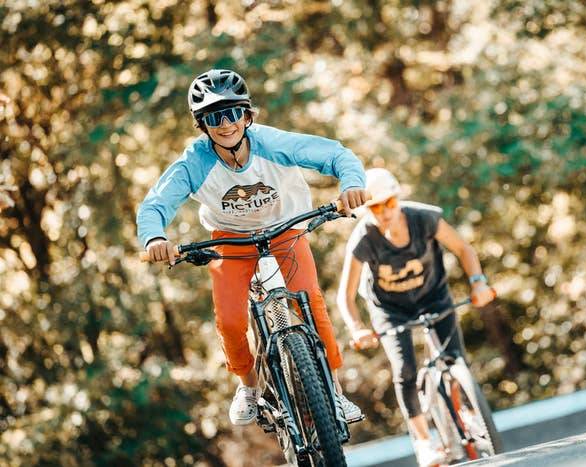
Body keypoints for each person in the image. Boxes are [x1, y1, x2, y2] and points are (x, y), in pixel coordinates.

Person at [137, 68, 367, 426]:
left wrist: (351, 183)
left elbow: (337, 155)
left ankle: (335, 392)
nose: (225, 124)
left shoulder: (272, 143)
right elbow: (155, 206)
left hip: (286, 230)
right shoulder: (195, 161)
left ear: (247, 116)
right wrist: (155, 238)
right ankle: (248, 386)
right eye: (214, 117)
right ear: (202, 125)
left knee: (309, 300)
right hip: (231, 239)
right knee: (230, 320)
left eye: (232, 113)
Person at [337, 168, 496, 466]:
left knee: (455, 358)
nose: (384, 212)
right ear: (367, 210)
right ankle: (424, 442)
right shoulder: (363, 239)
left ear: (398, 198)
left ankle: (466, 408)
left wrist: (478, 283)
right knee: (406, 370)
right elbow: (344, 296)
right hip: (390, 309)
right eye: (375, 207)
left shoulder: (424, 218)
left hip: (434, 295)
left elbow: (463, 248)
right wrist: (357, 328)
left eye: (389, 203)